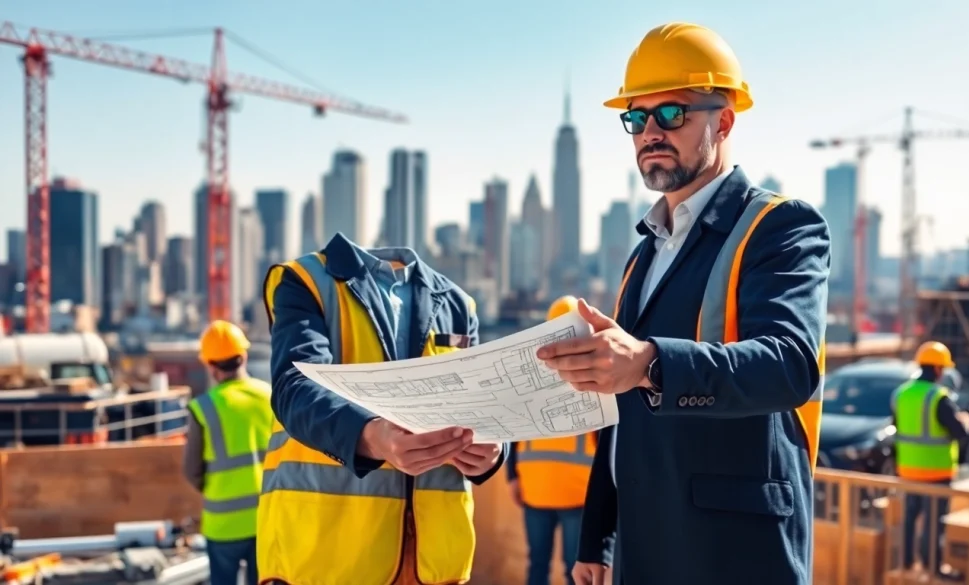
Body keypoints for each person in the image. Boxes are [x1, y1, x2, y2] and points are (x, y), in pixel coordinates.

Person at [536, 22, 831, 585]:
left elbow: (790, 365)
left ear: (724, 121)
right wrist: (597, 536)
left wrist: (649, 362)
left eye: (672, 113)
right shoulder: (644, 252)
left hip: (734, 553)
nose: (650, 132)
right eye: (637, 118)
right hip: (644, 546)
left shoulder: (780, 227)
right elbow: (619, 406)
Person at [258, 233, 509, 585]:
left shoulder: (457, 303)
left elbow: (480, 404)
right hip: (327, 559)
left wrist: (493, 451)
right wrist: (372, 437)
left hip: (436, 563)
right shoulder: (306, 281)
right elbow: (294, 390)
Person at [506, 296, 599, 585]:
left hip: (545, 489)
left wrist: (512, 477)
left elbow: (515, 429)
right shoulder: (595, 377)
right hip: (572, 492)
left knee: (542, 566)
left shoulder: (530, 378)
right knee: (574, 570)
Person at [183, 320, 272, 585]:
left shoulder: (204, 407)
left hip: (222, 524)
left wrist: (217, 487)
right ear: (243, 356)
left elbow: (191, 471)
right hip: (265, 518)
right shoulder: (269, 396)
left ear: (211, 366)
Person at [892, 340, 969, 577]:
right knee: (934, 522)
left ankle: (906, 562)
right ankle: (933, 568)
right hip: (936, 473)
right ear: (938, 369)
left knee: (909, 518)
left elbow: (898, 428)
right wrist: (966, 420)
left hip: (908, 470)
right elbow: (960, 432)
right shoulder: (939, 397)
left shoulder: (902, 394)